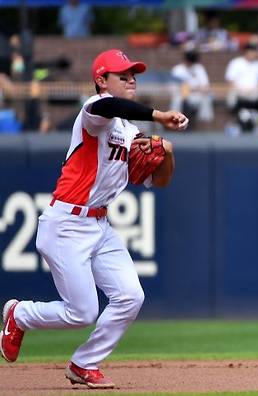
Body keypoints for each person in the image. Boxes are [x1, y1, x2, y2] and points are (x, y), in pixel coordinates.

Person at [0, 49, 188, 388]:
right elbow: (109, 106)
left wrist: (168, 155)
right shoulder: (93, 110)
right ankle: (19, 314)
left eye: (133, 74)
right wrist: (158, 115)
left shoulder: (129, 132)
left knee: (131, 296)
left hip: (99, 226)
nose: (131, 78)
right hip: (66, 224)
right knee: (81, 313)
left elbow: (158, 181)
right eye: (122, 74)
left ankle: (84, 364)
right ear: (101, 80)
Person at [171, 50, 214, 129]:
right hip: (181, 95)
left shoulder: (199, 68)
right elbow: (173, 87)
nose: (190, 63)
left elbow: (205, 87)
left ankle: (204, 126)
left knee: (205, 98)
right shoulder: (178, 69)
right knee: (177, 99)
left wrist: (191, 88)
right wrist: (191, 88)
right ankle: (175, 124)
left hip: (195, 96)